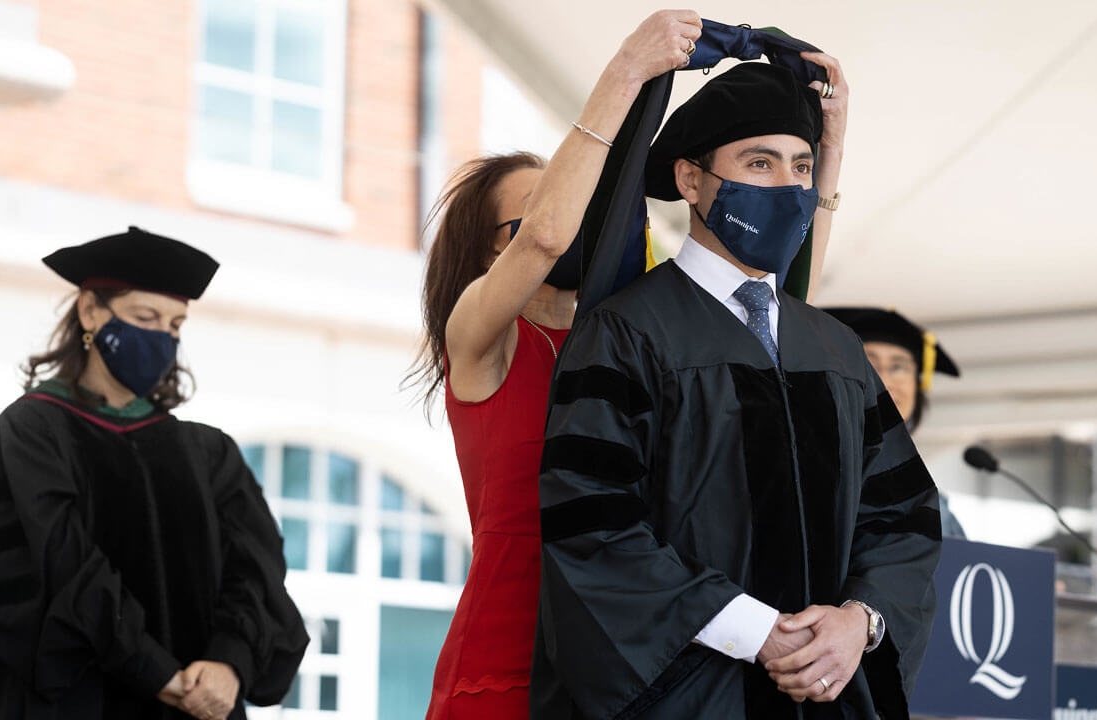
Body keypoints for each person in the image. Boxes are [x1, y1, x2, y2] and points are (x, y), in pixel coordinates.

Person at [410, 14, 852, 718]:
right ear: (493, 253)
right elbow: (547, 239)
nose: (574, 217)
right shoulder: (480, 340)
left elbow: (790, 297)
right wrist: (628, 72)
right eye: (547, 204)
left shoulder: (628, 334)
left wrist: (826, 155)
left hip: (627, 653)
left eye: (586, 197)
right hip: (511, 655)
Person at [531, 61, 940, 719]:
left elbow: (904, 517)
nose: (788, 186)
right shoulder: (628, 333)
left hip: (828, 696)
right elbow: (592, 520)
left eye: (801, 168)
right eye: (759, 164)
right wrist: (750, 629)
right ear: (691, 179)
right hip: (693, 697)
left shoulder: (835, 352)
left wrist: (859, 622)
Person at [0, 227, 308, 720]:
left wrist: (228, 663)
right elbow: (54, 565)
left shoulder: (208, 453)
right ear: (90, 311)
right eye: (145, 317)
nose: (162, 337)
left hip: (197, 706)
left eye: (176, 325)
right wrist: (156, 673)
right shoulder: (32, 432)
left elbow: (255, 574)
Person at [823, 307, 967, 538]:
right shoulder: (811, 474)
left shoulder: (938, 510)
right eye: (870, 364)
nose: (885, 381)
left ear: (918, 386)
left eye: (898, 367)